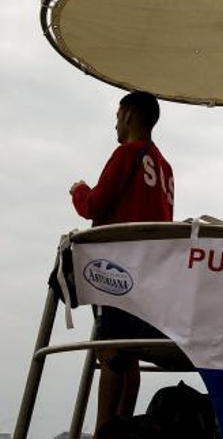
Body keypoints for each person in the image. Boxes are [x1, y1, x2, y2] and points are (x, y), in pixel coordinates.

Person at [69, 91, 174, 434]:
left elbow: (95, 205)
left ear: (129, 115)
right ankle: (124, 429)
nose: (115, 122)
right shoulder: (165, 167)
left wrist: (79, 190)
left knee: (111, 351)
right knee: (129, 353)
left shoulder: (126, 153)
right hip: (151, 273)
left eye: (118, 115)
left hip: (118, 269)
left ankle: (104, 431)